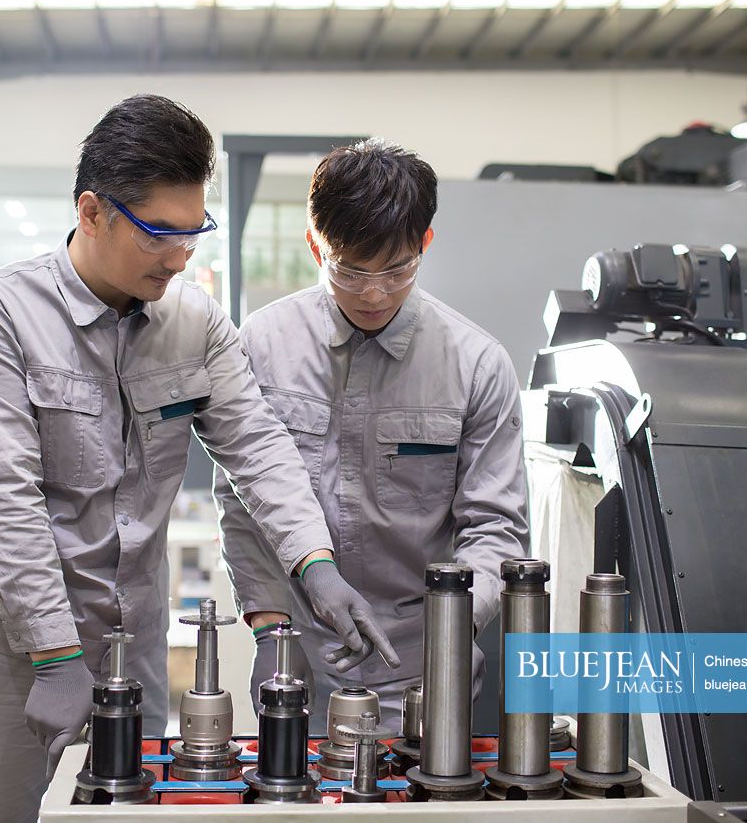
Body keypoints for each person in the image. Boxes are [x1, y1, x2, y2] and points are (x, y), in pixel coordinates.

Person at [0, 96, 397, 823]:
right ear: (92, 212)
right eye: (160, 233)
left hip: (136, 645)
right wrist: (54, 655)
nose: (181, 257)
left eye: (194, 233)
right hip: (15, 656)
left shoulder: (195, 323)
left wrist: (316, 562)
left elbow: (258, 445)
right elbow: (3, 498)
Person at [215, 138, 529, 732]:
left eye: (398, 268)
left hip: (422, 669)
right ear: (315, 245)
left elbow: (496, 529)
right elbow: (240, 500)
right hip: (298, 659)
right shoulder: (262, 343)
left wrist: (450, 628)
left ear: (425, 245)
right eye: (351, 270)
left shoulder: (477, 364)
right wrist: (270, 630)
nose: (374, 293)